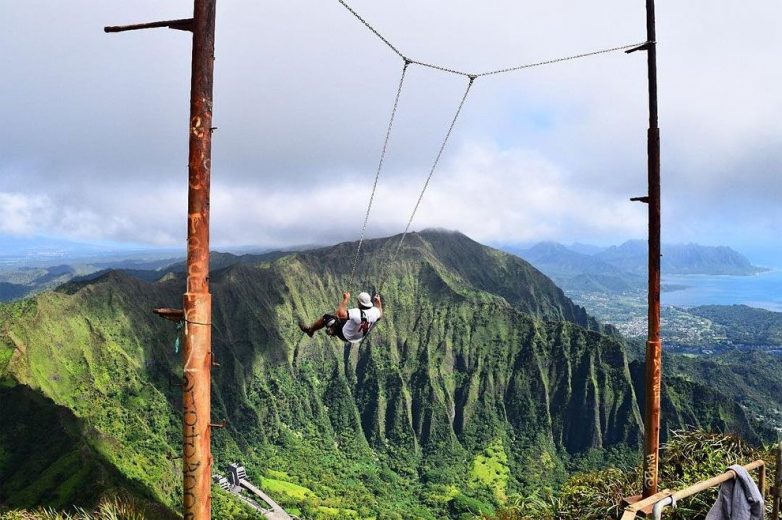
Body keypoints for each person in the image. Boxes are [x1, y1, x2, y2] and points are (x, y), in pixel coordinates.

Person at [299, 291, 383, 343]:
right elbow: (380, 314)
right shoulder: (374, 312)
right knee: (340, 319)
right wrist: (378, 302)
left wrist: (346, 299)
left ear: (359, 303)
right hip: (358, 337)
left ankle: (311, 330)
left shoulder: (357, 313)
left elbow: (340, 313)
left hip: (346, 335)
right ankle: (333, 328)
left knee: (326, 318)